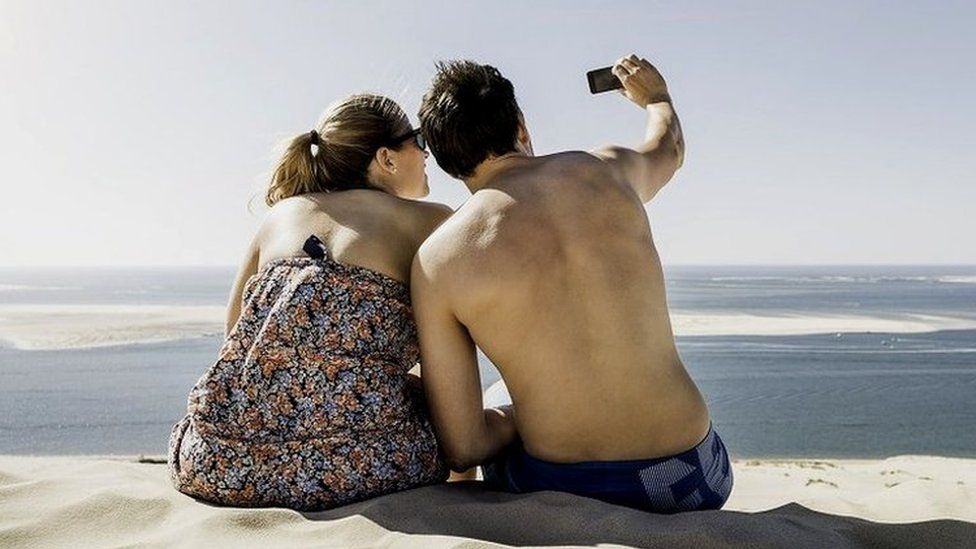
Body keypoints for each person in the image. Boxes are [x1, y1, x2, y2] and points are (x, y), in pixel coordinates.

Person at [412, 55, 732, 513]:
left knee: (500, 396)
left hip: (559, 490)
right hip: (691, 479)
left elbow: (464, 447)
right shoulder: (605, 171)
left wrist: (525, 414)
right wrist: (657, 99)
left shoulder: (438, 260)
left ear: (444, 161)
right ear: (520, 127)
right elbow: (669, 148)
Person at [168, 94, 451, 511]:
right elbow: (448, 359)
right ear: (387, 158)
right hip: (357, 466)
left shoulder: (281, 215)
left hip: (219, 461)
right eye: (419, 140)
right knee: (459, 406)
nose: (427, 154)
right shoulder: (431, 221)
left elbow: (236, 338)